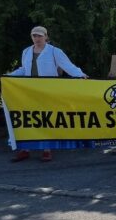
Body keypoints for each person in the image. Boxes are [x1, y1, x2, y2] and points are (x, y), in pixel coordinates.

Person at [8, 26, 87, 162]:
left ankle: (47, 150)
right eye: (34, 36)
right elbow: (23, 69)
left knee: (46, 120)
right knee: (29, 120)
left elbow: (68, 66)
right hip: (29, 92)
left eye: (39, 36)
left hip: (48, 92)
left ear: (46, 37)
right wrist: (7, 76)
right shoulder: (26, 51)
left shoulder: (54, 51)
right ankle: (25, 149)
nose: (37, 38)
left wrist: (81, 75)